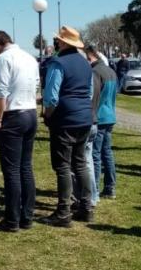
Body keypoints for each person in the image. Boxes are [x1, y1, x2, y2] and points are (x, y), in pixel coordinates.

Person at [0, 30, 40, 232]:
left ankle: (12, 219)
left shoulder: (3, 59)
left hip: (13, 115)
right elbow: (35, 84)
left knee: (11, 171)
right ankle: (26, 216)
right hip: (30, 113)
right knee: (26, 167)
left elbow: (0, 91)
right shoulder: (29, 58)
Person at [42, 26, 94, 227]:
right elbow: (88, 92)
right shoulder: (85, 63)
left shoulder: (58, 62)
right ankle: (86, 207)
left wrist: (48, 115)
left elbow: (51, 96)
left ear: (62, 43)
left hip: (65, 119)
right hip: (84, 117)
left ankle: (63, 211)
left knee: (63, 165)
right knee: (80, 163)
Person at [87, 45, 118, 199]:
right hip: (110, 114)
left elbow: (93, 96)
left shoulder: (95, 72)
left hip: (99, 116)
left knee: (95, 154)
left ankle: (95, 188)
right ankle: (110, 186)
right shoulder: (111, 71)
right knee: (107, 152)